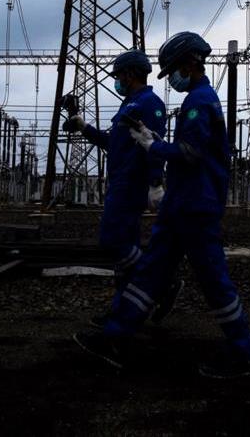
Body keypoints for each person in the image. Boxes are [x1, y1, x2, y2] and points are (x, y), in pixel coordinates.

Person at [74, 32, 250, 379]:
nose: (172, 77)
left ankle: (242, 352)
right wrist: (151, 142)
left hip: (197, 206)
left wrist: (152, 148)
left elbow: (191, 154)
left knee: (213, 279)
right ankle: (114, 339)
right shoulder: (195, 99)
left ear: (191, 63)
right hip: (182, 204)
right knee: (150, 272)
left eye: (174, 69)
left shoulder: (200, 102)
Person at [63, 49, 181, 326]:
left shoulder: (149, 103)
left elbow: (153, 143)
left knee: (111, 240)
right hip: (119, 182)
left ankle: (162, 283)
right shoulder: (128, 105)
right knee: (122, 252)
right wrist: (84, 128)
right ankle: (122, 311)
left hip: (131, 184)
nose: (117, 81)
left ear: (130, 74)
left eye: (119, 76)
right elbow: (113, 144)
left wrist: (155, 182)